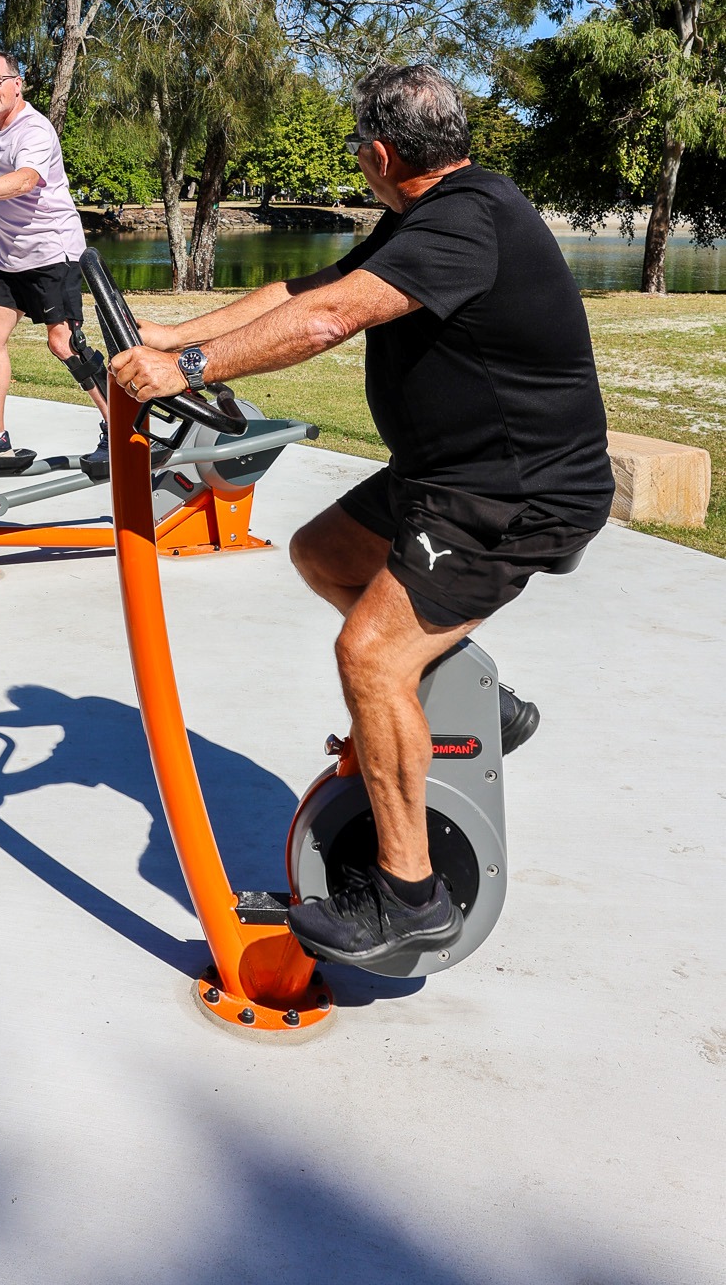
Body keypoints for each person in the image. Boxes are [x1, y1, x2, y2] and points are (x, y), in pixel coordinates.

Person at [110, 62, 614, 969]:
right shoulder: (426, 214)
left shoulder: (467, 222)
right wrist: (178, 337)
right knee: (321, 552)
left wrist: (188, 376)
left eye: (356, 148)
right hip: (448, 475)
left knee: (370, 654)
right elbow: (307, 289)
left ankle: (410, 896)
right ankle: (481, 702)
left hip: (512, 494)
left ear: (380, 153)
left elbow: (327, 321)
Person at [0, 50, 106, 463]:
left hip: (51, 252)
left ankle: (125, 428)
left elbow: (28, 178)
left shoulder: (34, 129)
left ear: (18, 83)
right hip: (13, 258)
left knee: (64, 342)